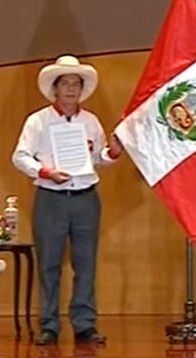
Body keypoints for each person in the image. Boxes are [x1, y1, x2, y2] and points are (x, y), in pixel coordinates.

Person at [12, 55, 123, 345]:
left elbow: (97, 158)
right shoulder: (38, 121)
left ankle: (84, 324)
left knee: (85, 264)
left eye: (76, 84)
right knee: (49, 263)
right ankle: (49, 324)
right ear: (55, 89)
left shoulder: (91, 121)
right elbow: (20, 156)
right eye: (66, 84)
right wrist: (45, 172)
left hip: (86, 198)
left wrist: (112, 152)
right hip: (51, 198)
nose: (71, 89)